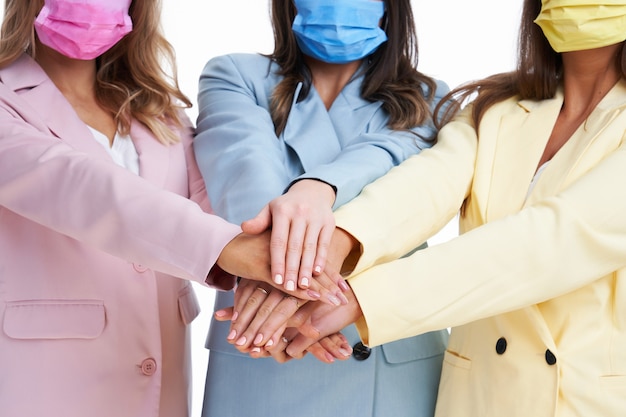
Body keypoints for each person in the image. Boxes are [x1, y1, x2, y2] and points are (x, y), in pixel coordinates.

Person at [240, 0, 626, 415]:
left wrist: (355, 298)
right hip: (477, 398)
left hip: (586, 400)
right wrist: (332, 248)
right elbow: (424, 186)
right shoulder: (495, 107)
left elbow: (550, 242)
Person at [0, 1, 330, 416]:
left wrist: (276, 302)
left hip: (159, 384)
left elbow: (223, 210)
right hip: (44, 382)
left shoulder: (159, 112)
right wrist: (232, 250)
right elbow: (77, 186)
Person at [193, 0, 450, 415]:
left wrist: (316, 189)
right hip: (264, 346)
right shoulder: (235, 75)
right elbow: (242, 164)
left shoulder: (428, 97)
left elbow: (390, 156)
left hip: (384, 354)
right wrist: (281, 277)